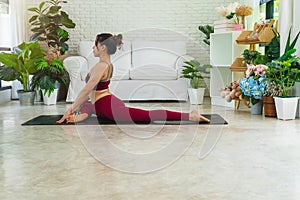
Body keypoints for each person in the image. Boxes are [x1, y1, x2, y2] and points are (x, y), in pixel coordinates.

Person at [57, 33, 210, 124]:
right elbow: (89, 103)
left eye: (95, 45)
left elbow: (86, 91)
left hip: (108, 107)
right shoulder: (105, 64)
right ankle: (77, 116)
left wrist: (70, 109)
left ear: (102, 47)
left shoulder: (101, 66)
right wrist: (78, 115)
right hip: (102, 103)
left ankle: (190, 115)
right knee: (89, 107)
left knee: (148, 116)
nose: (92, 48)